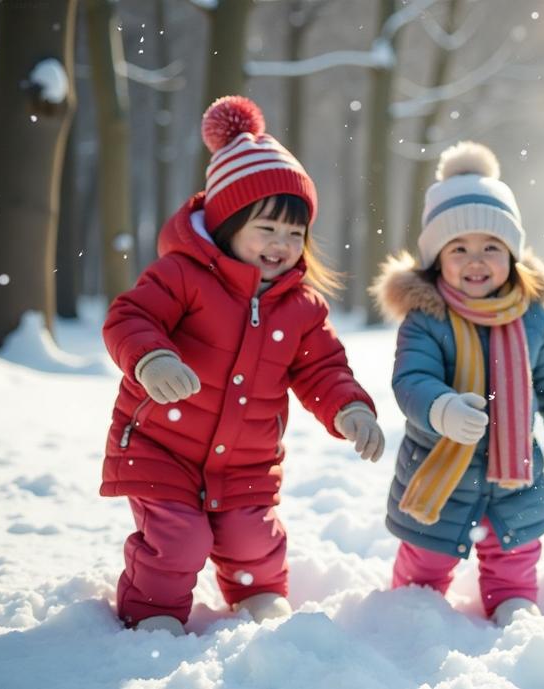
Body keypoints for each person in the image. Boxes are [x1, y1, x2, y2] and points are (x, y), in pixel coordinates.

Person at [100, 95, 385, 636]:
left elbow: (323, 367)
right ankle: (153, 614)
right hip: (164, 445)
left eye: (294, 234)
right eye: (267, 230)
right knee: (179, 539)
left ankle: (257, 596)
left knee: (252, 538)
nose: (282, 245)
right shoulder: (183, 275)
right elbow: (128, 317)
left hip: (246, 461)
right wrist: (153, 359)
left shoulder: (302, 306)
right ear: (226, 224)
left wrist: (349, 409)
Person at [372, 141, 544, 627]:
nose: (476, 260)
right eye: (459, 248)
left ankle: (512, 599)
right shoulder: (427, 319)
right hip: (440, 467)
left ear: (512, 256)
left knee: (515, 545)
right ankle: (414, 605)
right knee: (427, 549)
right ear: (437, 259)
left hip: (515, 469)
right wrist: (442, 407)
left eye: (491, 247)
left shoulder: (532, 319)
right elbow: (411, 379)